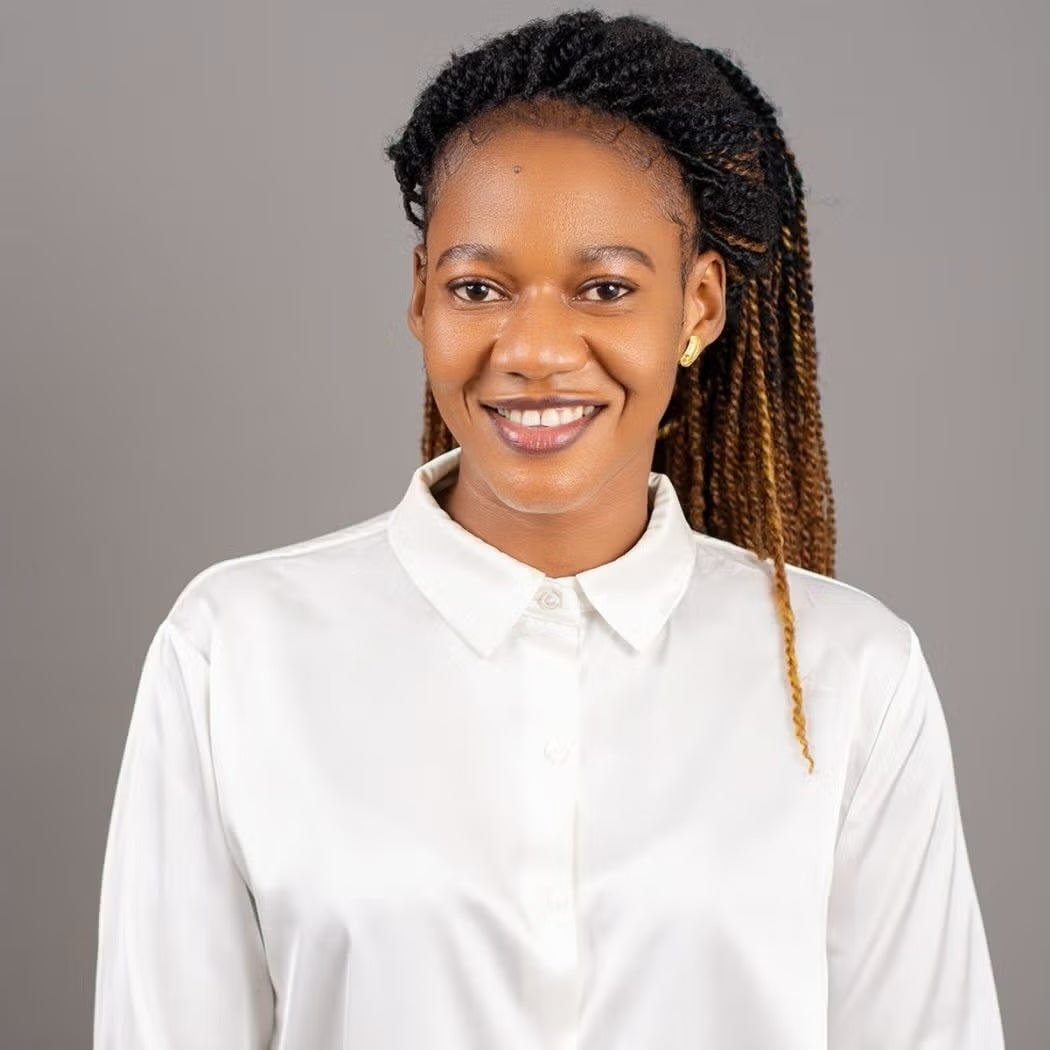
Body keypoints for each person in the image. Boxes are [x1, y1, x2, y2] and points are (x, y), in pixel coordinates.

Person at [93, 9, 1005, 1048]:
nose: (532, 348)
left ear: (699, 306)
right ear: (420, 299)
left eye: (605, 288)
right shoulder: (235, 653)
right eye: (478, 287)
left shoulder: (853, 677)